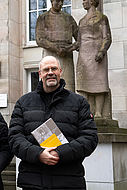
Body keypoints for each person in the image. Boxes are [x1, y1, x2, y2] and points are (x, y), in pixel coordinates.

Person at [8, 56, 98, 190]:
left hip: (68, 181)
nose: (50, 72)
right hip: (33, 182)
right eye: (46, 69)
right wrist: (38, 154)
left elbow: (90, 139)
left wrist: (60, 153)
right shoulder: (23, 102)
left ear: (60, 72)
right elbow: (14, 138)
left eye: (54, 68)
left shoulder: (79, 102)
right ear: (40, 74)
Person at [76, 0, 112, 118]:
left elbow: (106, 38)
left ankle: (99, 112)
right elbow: (78, 41)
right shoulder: (81, 21)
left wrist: (102, 51)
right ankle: (87, 111)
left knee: (99, 83)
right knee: (83, 85)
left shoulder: (101, 18)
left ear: (92, 1)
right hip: (84, 54)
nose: (83, 2)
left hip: (96, 53)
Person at [36, 0, 78, 92]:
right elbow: (40, 39)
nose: (60, 4)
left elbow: (79, 39)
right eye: (57, 1)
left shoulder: (69, 18)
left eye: (62, 1)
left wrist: (69, 48)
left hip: (66, 55)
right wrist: (57, 49)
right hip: (50, 53)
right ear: (52, 1)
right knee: (49, 84)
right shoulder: (43, 18)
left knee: (68, 86)